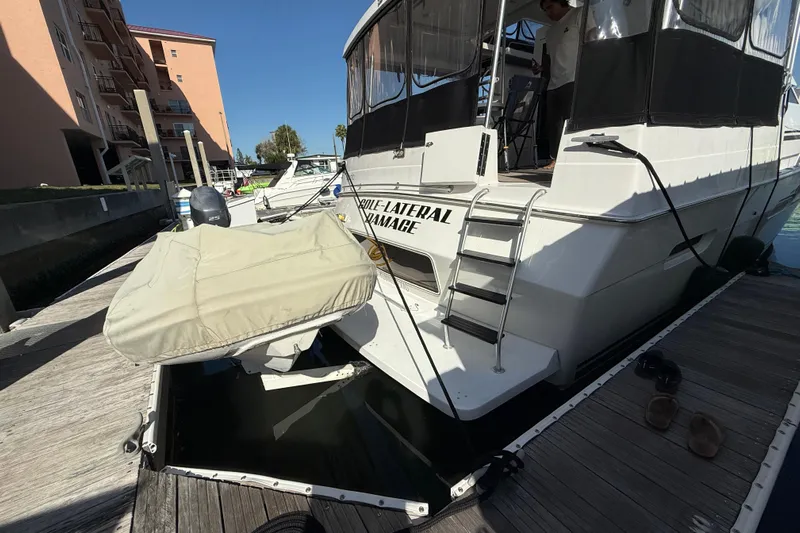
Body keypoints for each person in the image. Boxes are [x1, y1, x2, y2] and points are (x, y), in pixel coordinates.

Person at [533, 0, 592, 169]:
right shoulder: (550, 32)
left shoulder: (579, 14)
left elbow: (593, 37)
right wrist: (541, 68)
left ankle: (577, 159)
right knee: (554, 124)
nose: (548, 13)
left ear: (562, 2)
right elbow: (553, 58)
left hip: (575, 77)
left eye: (550, 7)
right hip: (554, 83)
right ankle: (556, 159)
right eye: (545, 10)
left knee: (573, 120)